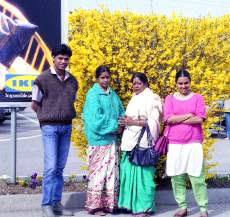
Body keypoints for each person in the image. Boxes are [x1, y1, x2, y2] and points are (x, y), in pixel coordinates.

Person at [31, 44, 78, 217]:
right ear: (53, 58)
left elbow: (70, 101)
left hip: (66, 126)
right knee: (50, 167)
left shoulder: (73, 80)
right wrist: (48, 116)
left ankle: (57, 204)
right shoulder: (42, 79)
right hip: (50, 127)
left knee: (59, 167)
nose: (63, 61)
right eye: (60, 58)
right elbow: (34, 105)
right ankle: (46, 205)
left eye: (66, 59)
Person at [164, 69, 208, 217]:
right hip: (175, 143)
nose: (183, 86)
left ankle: (203, 208)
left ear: (190, 82)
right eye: (180, 83)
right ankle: (182, 207)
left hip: (193, 142)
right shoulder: (169, 99)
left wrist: (179, 118)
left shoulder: (198, 98)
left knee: (197, 176)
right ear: (176, 83)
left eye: (186, 83)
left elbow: (199, 119)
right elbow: (169, 119)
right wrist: (189, 115)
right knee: (177, 176)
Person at [118, 72, 162, 217]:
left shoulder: (152, 98)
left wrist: (133, 122)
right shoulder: (135, 97)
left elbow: (154, 122)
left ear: (145, 84)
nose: (135, 86)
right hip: (129, 140)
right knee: (128, 173)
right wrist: (125, 121)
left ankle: (144, 208)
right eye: (134, 83)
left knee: (143, 177)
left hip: (143, 142)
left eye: (138, 83)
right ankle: (131, 205)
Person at [82, 65, 125, 216]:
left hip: (112, 139)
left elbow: (121, 111)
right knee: (99, 174)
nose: (105, 80)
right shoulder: (93, 95)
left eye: (107, 77)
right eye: (102, 77)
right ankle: (95, 206)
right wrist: (115, 127)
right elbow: (95, 120)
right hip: (99, 140)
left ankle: (109, 204)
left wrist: (121, 124)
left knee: (111, 174)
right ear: (97, 78)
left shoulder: (112, 94)